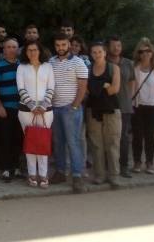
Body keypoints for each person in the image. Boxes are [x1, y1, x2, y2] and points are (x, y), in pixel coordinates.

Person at [49, 33, 88, 193]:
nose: (60, 48)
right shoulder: (50, 62)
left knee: (73, 143)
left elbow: (83, 86)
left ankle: (77, 175)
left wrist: (74, 106)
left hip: (70, 109)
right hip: (55, 109)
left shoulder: (79, 62)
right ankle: (60, 172)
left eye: (63, 45)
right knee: (58, 142)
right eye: (58, 45)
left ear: (69, 45)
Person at [17, 42, 55, 188]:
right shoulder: (21, 67)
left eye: (35, 50)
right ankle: (32, 173)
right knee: (31, 142)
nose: (32, 52)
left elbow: (51, 87)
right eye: (29, 50)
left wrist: (44, 105)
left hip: (46, 110)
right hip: (26, 110)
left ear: (40, 51)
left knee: (43, 142)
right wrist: (32, 105)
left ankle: (44, 175)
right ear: (26, 52)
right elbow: (21, 88)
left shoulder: (48, 67)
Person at [86, 42, 122, 188]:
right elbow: (87, 90)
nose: (97, 55)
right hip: (93, 110)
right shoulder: (88, 69)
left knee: (112, 144)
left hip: (111, 110)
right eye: (94, 52)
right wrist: (104, 86)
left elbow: (114, 89)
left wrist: (97, 88)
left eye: (99, 52)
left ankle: (114, 176)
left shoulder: (113, 68)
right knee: (96, 145)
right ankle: (99, 175)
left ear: (105, 53)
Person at [130, 38, 154, 175]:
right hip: (137, 106)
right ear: (138, 54)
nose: (145, 54)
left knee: (150, 136)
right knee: (137, 135)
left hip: (153, 106)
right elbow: (131, 89)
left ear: (152, 53)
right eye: (142, 51)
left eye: (148, 51)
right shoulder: (134, 69)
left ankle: (150, 162)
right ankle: (137, 161)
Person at [0, 38, 22, 182]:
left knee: (18, 139)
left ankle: (16, 167)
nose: (11, 49)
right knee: (5, 140)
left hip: (22, 110)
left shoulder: (23, 66)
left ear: (18, 49)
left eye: (14, 47)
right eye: (8, 47)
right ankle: (6, 169)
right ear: (4, 49)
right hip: (5, 109)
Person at [107, 36, 136, 178]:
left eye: (118, 45)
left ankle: (124, 166)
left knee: (123, 137)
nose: (116, 48)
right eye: (113, 46)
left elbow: (132, 82)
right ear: (108, 47)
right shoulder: (103, 62)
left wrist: (128, 99)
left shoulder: (128, 63)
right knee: (108, 137)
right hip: (107, 105)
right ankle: (110, 166)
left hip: (124, 106)